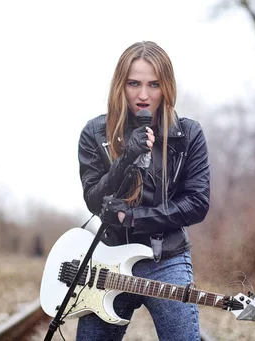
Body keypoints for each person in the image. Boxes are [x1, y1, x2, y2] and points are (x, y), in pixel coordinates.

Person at [77, 41, 210, 341]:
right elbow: (93, 200)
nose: (143, 95)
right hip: (109, 259)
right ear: (120, 85)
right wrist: (124, 160)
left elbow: (198, 203)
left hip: (168, 259)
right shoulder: (95, 133)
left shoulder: (188, 134)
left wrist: (136, 218)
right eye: (134, 83)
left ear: (167, 87)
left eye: (154, 84)